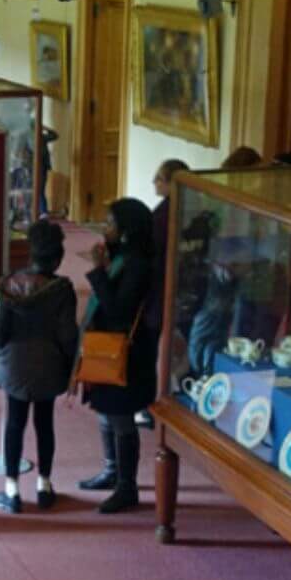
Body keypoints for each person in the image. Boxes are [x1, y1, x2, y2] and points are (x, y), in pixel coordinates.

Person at [0, 220, 78, 513]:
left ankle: (11, 489)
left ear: (31, 252)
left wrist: (1, 355)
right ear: (58, 258)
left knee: (14, 424)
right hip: (49, 366)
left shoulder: (9, 286)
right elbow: (68, 335)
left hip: (14, 366)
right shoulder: (63, 290)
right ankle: (44, 485)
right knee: (45, 423)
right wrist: (69, 367)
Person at [78, 198, 159, 514]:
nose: (105, 227)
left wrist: (98, 272)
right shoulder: (123, 256)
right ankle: (111, 470)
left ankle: (127, 487)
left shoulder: (138, 264)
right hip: (108, 345)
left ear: (127, 229)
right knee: (104, 410)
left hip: (126, 351)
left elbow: (118, 309)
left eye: (110, 223)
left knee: (120, 417)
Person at [136, 159, 189, 430]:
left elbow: (152, 259)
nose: (154, 182)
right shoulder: (188, 209)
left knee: (150, 351)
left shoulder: (161, 218)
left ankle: (149, 406)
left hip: (159, 293)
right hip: (182, 289)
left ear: (171, 183)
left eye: (159, 178)